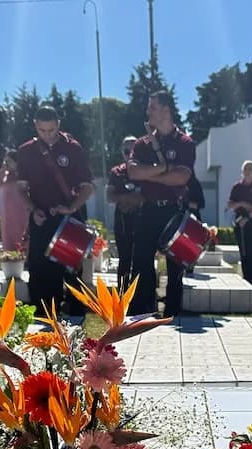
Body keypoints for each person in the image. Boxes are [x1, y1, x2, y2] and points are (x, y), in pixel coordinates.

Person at [14, 106, 95, 314]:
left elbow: (87, 186)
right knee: (40, 273)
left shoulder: (73, 148)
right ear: (35, 126)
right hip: (41, 218)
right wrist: (33, 210)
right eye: (42, 131)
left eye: (51, 130)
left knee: (72, 274)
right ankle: (44, 320)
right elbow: (21, 189)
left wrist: (71, 207)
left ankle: (77, 321)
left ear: (58, 124)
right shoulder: (26, 151)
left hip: (69, 218)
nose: (48, 135)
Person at [127, 90, 195, 317]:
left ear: (166, 110)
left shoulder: (184, 142)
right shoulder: (143, 144)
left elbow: (181, 177)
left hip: (173, 211)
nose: (148, 112)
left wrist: (151, 175)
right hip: (148, 209)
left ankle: (173, 315)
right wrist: (163, 169)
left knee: (176, 268)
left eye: (152, 108)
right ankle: (145, 314)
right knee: (142, 264)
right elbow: (134, 172)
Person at [107, 136, 142, 288]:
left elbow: (148, 196)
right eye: (127, 151)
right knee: (124, 259)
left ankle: (141, 297)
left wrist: (124, 199)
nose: (130, 155)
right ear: (122, 152)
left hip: (142, 221)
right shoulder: (116, 172)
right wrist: (131, 199)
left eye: (134, 151)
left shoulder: (147, 171)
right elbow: (109, 196)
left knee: (142, 260)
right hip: (122, 221)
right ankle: (122, 295)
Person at [228, 160, 252, 289]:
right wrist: (243, 204)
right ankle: (247, 285)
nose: (248, 171)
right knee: (245, 256)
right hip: (242, 227)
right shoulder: (237, 187)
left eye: (251, 169)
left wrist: (248, 216)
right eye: (246, 169)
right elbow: (230, 204)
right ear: (242, 171)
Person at [0, 150, 27, 252]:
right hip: (8, 216)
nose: (7, 163)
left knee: (22, 238)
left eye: (10, 161)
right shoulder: (5, 176)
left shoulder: (23, 175)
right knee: (8, 241)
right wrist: (3, 169)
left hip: (21, 214)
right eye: (6, 161)